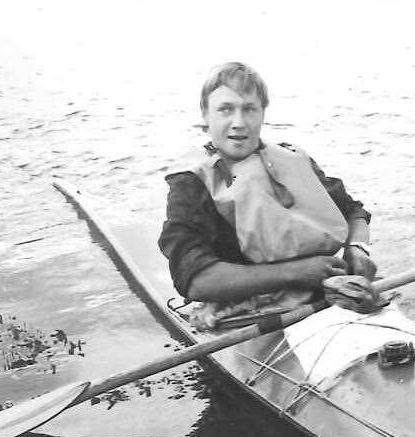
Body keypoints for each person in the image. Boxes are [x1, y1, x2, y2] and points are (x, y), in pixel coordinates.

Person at [158, 62, 377, 328]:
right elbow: (195, 280)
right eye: (225, 109)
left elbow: (353, 211)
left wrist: (358, 248)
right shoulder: (190, 183)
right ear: (205, 116)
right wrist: (296, 273)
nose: (238, 123)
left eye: (249, 109)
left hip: (330, 293)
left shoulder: (292, 158)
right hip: (249, 312)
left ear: (262, 113)